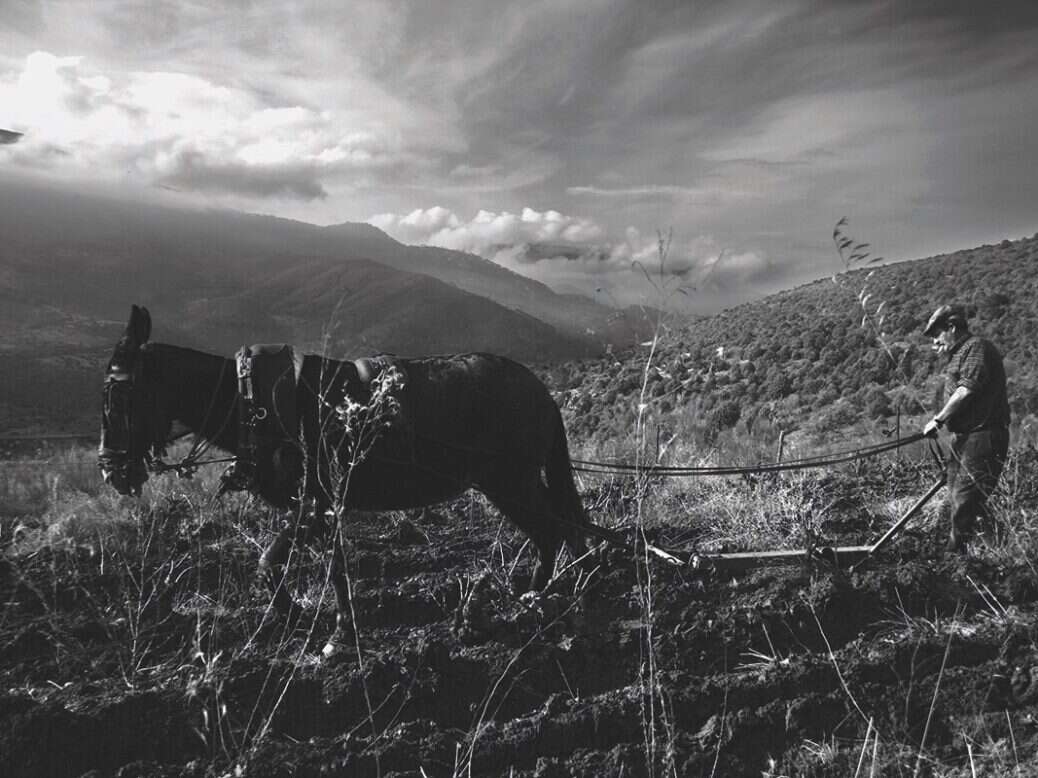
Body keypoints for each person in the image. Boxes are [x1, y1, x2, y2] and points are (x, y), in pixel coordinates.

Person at [922, 304, 1010, 552]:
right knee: (961, 497)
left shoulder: (976, 348)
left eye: (937, 335)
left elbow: (965, 391)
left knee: (964, 498)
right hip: (965, 438)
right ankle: (995, 550)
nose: (934, 343)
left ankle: (955, 558)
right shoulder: (958, 355)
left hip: (983, 436)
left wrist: (938, 420)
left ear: (951, 327)